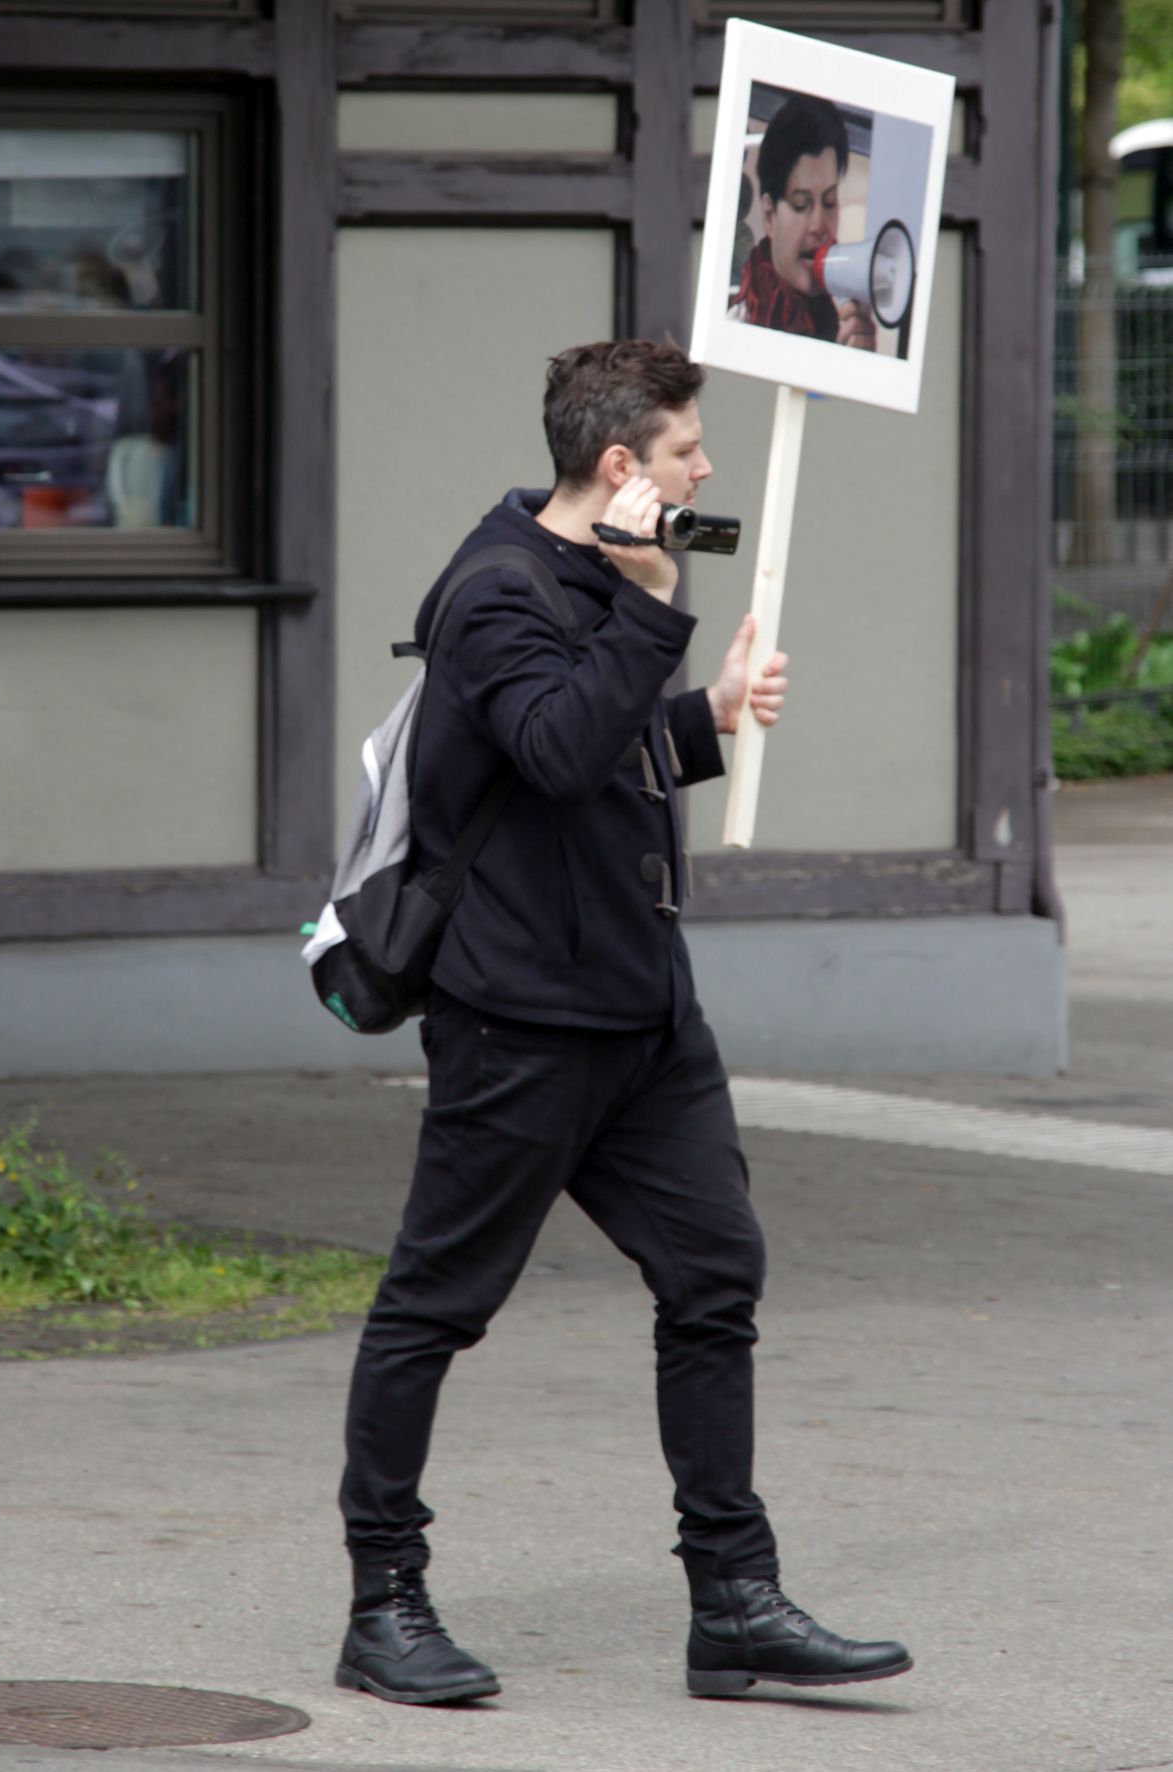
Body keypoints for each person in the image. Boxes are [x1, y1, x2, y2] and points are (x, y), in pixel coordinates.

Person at [335, 338, 910, 1706]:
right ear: (619, 466)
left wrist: (700, 721)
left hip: (644, 1013)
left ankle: (733, 1601)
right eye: (684, 450)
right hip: (519, 1019)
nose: (705, 468)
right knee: (437, 1304)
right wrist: (657, 609)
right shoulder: (493, 591)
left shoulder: (592, 576)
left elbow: (600, 767)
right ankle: (383, 1602)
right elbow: (546, 748)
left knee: (714, 1279)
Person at [734, 94, 877, 351]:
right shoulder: (738, 322)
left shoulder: (844, 317)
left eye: (830, 201)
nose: (819, 225)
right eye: (801, 204)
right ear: (769, 216)